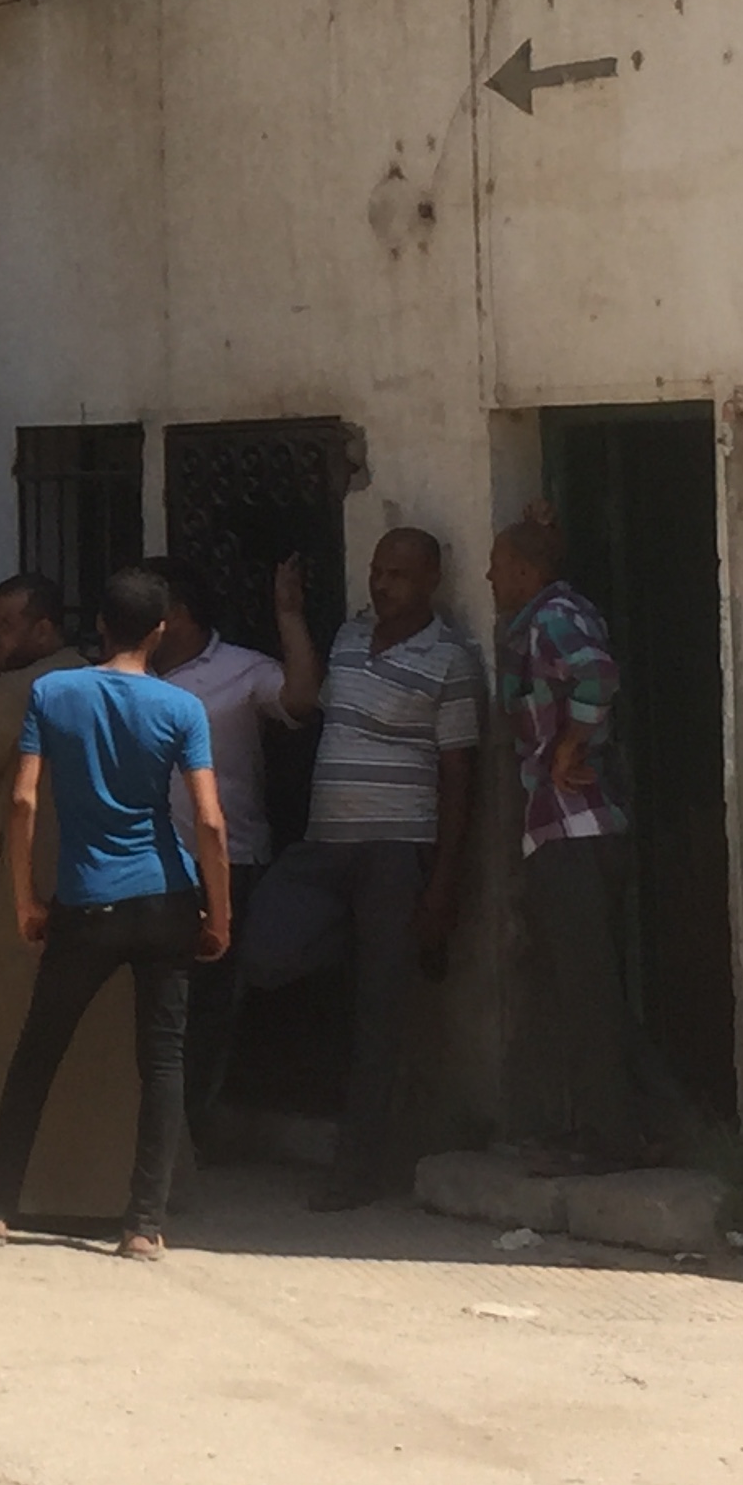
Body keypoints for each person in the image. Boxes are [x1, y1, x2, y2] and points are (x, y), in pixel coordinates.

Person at [0, 565, 232, 1260]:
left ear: (102, 627)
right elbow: (209, 822)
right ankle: (143, 1224)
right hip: (166, 896)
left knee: (37, 1052)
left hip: (85, 899)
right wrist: (220, 915)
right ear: (159, 631)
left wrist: (26, 899)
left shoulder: (54, 693)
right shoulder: (182, 708)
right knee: (163, 1062)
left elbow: (23, 801)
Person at [237, 529, 485, 1208]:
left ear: (430, 581)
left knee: (380, 1015)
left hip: (397, 849)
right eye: (378, 571)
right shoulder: (349, 637)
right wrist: (289, 615)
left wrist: (442, 884)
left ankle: (356, 1171)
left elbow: (460, 775)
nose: (382, 584)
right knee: (261, 948)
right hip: (326, 845)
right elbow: (310, 698)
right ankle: (358, 940)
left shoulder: (451, 659)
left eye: (398, 575)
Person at [489, 505, 683, 1172]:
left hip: (575, 823)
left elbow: (597, 673)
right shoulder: (544, 616)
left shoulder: (551, 617)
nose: (489, 578)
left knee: (586, 991)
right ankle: (655, 1121)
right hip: (564, 826)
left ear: (524, 570)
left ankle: (615, 1136)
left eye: (497, 566)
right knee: (584, 986)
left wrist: (571, 745)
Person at [0, 572, 132, 1220]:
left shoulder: (18, 691)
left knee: (13, 1035)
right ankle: (106, 1186)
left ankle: (23, 1187)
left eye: (7, 624)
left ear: (44, 628)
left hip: (19, 887)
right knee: (100, 1041)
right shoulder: (102, 681)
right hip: (105, 879)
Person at [153, 555, 321, 1138]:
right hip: (145, 864)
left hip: (224, 863)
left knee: (207, 1003)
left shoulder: (242, 669)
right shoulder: (126, 673)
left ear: (176, 614)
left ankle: (190, 1132)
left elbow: (300, 699)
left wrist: (289, 616)